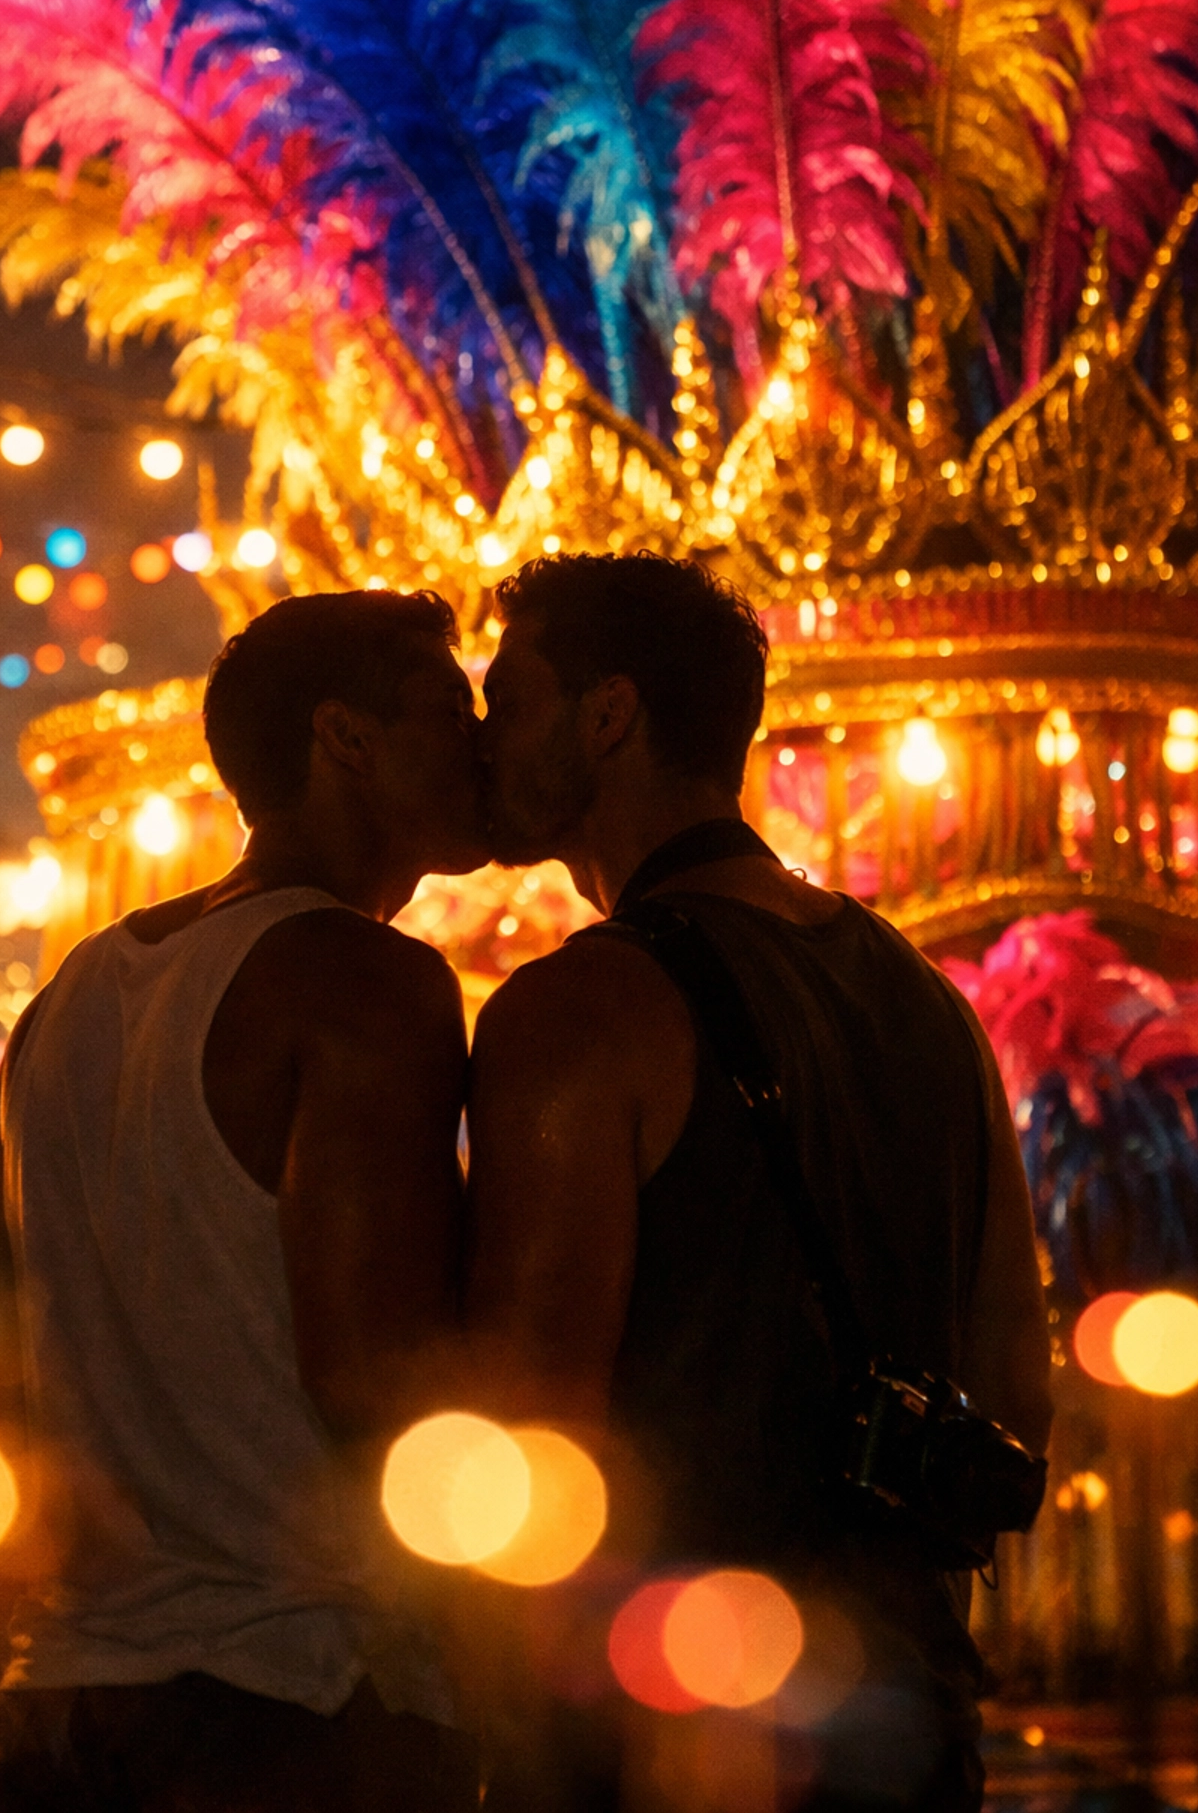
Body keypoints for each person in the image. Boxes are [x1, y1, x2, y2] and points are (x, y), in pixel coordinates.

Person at [466, 553, 1051, 1813]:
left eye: (507, 697)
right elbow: (1016, 1373)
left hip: (668, 1723)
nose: (482, 736)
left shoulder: (578, 1013)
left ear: (608, 714)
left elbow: (536, 1436)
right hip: (905, 1702)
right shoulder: (928, 1000)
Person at [0, 589, 487, 1813]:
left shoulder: (78, 988)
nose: (482, 744)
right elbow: (372, 1378)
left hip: (72, 1687)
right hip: (307, 1690)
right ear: (344, 738)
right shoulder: (368, 982)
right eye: (451, 712)